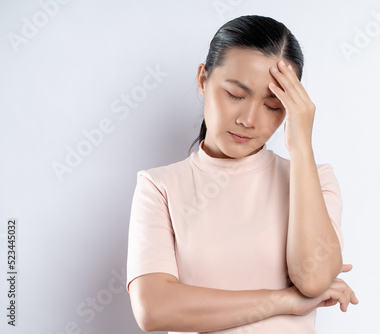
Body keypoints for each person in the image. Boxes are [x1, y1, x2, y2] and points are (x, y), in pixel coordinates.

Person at [126, 14, 358, 333]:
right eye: (235, 94)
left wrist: (301, 146)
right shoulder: (159, 186)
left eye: (273, 105)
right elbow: (154, 308)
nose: (249, 119)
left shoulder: (314, 180)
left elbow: (314, 278)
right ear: (203, 80)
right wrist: (283, 301)